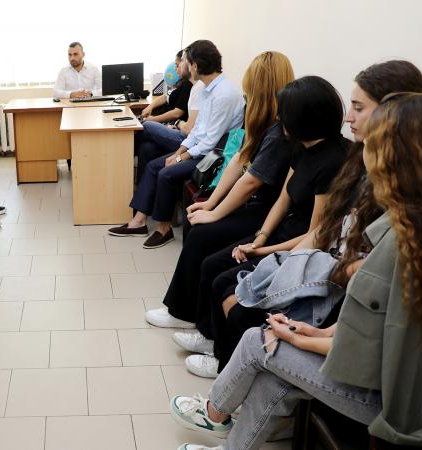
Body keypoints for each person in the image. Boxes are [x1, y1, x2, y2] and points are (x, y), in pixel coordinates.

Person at [170, 93, 422, 450]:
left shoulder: (413, 243)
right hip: (401, 383)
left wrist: (301, 340)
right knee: (273, 367)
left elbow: (396, 355)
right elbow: (375, 321)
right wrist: (310, 333)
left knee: (258, 342)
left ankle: (214, 413)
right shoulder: (419, 223)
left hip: (414, 405)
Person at [187, 60, 422, 375]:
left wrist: (271, 258)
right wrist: (261, 241)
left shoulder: (365, 173)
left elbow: (331, 244)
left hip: (327, 269)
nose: (349, 117)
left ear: (393, 112)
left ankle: (225, 365)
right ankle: (217, 348)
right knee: (219, 269)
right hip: (312, 254)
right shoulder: (342, 156)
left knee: (235, 295)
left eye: (359, 108)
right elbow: (292, 202)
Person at [156, 76, 349, 378]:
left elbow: (316, 236)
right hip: (280, 233)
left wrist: (262, 250)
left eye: (284, 112)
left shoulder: (333, 161)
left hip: (299, 248)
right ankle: (210, 336)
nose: (279, 117)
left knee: (224, 281)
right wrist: (260, 237)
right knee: (212, 264)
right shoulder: (301, 148)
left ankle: (222, 359)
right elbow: (284, 199)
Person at [145, 50, 295, 342]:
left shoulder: (279, 132)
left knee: (202, 233)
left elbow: (250, 182)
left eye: (250, 91)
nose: (246, 96)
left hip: (267, 212)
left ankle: (186, 314)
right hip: (256, 204)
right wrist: (209, 204)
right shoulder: (263, 123)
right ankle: (185, 309)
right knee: (195, 223)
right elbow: (239, 159)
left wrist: (215, 213)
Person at [109, 40, 245, 249]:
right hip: (202, 149)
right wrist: (179, 152)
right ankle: (138, 222)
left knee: (165, 173)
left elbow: (209, 142)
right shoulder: (208, 90)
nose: (184, 66)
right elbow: (197, 131)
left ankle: (164, 229)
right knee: (154, 165)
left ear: (195, 66)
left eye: (186, 62)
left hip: (214, 157)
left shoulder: (224, 94)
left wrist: (180, 157)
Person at [135, 49, 205, 182]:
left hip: (180, 133)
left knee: (146, 125)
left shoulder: (190, 87)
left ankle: (124, 152)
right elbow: (165, 96)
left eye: (178, 64)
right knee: (146, 148)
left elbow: (179, 114)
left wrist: (154, 119)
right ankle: (138, 185)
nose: (176, 68)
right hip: (176, 129)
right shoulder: (179, 84)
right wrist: (150, 106)